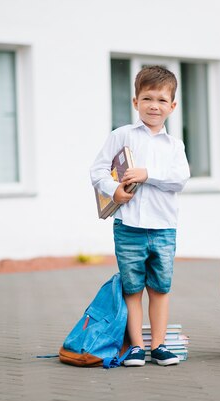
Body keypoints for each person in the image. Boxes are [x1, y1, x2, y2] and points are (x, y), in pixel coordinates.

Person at [90, 66, 190, 366]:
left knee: (159, 288)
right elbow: (97, 171)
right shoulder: (121, 135)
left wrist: (148, 174)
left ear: (172, 106)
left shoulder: (175, 146)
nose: (154, 106)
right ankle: (135, 346)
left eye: (161, 100)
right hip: (129, 226)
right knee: (132, 287)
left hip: (163, 228)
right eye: (147, 99)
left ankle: (158, 345)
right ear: (135, 102)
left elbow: (180, 178)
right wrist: (114, 190)